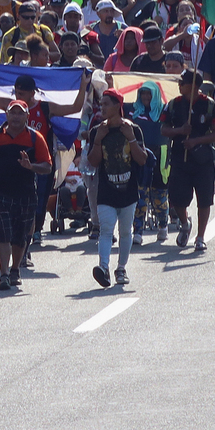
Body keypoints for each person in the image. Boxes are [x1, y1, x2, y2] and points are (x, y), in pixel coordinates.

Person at [0, 101, 53, 292]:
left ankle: (15, 269)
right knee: (2, 234)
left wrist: (31, 167)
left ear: (27, 116)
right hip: (0, 193)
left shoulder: (35, 138)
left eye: (19, 114)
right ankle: (4, 274)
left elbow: (47, 166)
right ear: (6, 115)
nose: (15, 117)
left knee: (20, 236)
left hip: (27, 194)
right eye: (12, 113)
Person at [87, 90, 151, 288]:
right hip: (106, 191)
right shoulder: (96, 131)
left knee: (125, 232)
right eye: (101, 104)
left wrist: (131, 139)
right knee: (106, 230)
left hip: (128, 191)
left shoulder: (133, 129)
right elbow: (93, 162)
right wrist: (98, 140)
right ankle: (103, 268)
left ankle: (121, 268)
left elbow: (142, 159)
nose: (102, 108)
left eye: (106, 104)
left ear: (117, 106)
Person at [162, 70, 215, 252]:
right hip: (180, 159)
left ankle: (200, 237)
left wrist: (196, 141)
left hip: (203, 160)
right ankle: (184, 222)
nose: (179, 85)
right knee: (176, 198)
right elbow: (164, 129)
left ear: (195, 86)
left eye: (183, 82)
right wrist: (180, 131)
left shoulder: (209, 106)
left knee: (204, 199)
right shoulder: (173, 105)